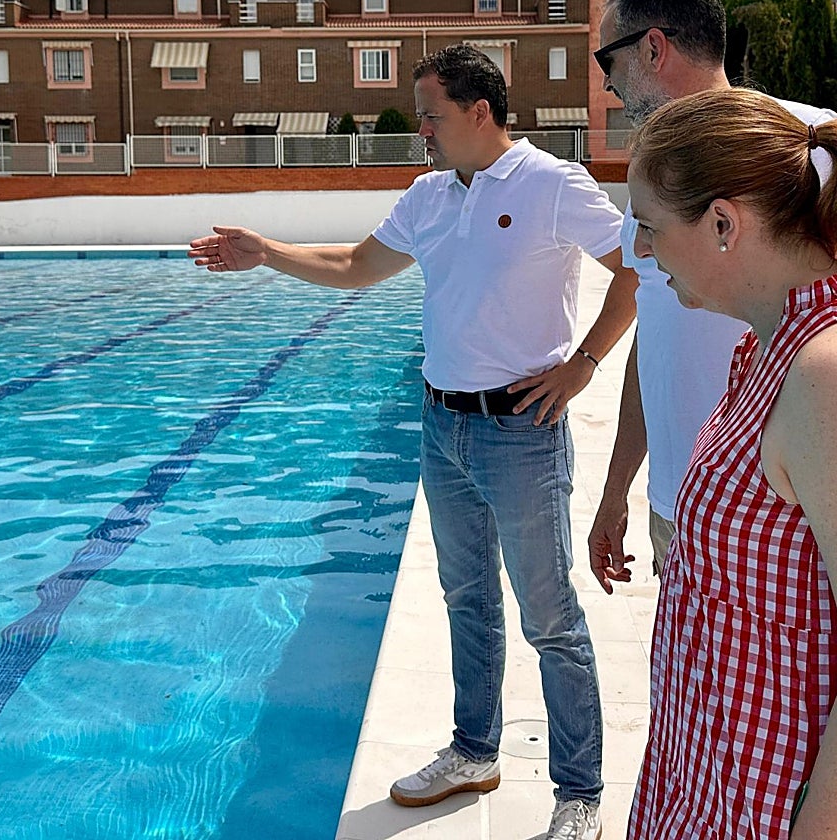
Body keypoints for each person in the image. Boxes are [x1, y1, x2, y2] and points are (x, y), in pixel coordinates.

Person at [189, 45, 639, 840]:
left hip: (522, 433)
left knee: (549, 617)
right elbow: (357, 265)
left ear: (479, 112)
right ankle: (475, 750)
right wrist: (269, 254)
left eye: (431, 113)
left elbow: (634, 269)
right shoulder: (431, 195)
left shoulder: (552, 183)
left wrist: (584, 366)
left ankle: (579, 793)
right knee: (466, 601)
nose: (421, 129)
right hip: (443, 426)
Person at [623, 86, 837, 840]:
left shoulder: (822, 374)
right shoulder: (766, 348)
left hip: (767, 805)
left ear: (722, 224)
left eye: (649, 226)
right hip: (709, 776)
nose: (641, 251)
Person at [587, 0, 837, 592]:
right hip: (682, 504)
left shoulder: (805, 151)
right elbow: (655, 342)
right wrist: (620, 485)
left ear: (653, 48)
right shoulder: (654, 181)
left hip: (786, 520)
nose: (606, 83)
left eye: (608, 61)